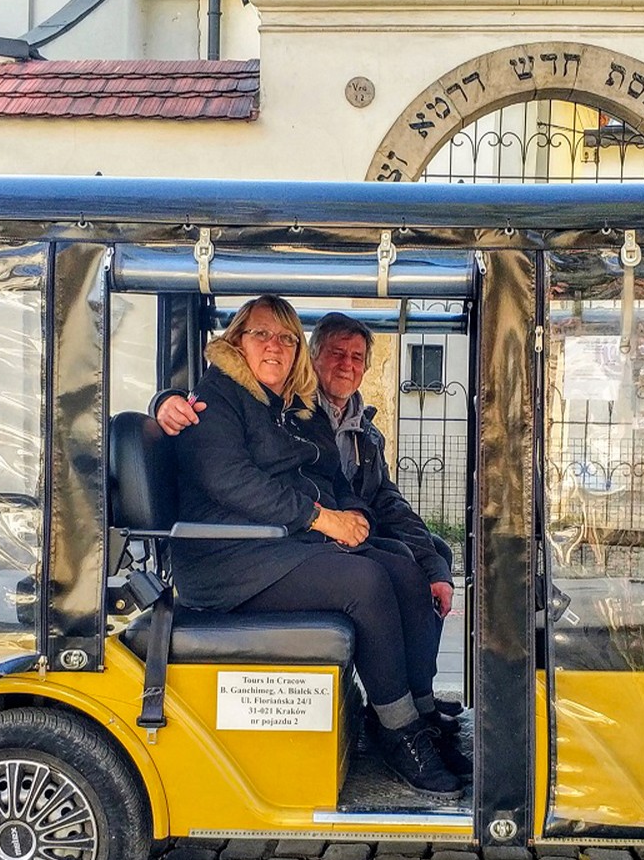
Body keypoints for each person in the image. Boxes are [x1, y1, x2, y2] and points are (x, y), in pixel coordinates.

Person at [165, 295, 463, 794]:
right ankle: (397, 732)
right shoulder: (214, 400)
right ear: (237, 340)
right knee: (363, 581)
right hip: (226, 559)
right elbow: (230, 481)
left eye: (286, 337)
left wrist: (354, 521)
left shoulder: (277, 405)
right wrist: (323, 519)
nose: (275, 346)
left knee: (399, 564)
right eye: (261, 334)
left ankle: (419, 713)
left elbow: (322, 475)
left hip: (271, 546)